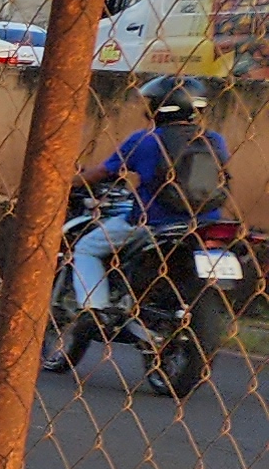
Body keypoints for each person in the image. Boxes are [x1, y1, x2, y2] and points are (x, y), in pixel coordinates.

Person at [54, 73, 232, 366]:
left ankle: (95, 310)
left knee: (87, 247)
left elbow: (104, 173)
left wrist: (67, 181)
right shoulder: (214, 140)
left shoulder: (146, 140)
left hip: (152, 223)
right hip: (204, 223)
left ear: (160, 107)